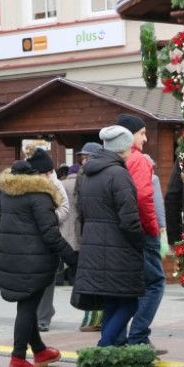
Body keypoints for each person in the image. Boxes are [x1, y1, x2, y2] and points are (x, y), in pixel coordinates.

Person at [0, 160, 77, 367]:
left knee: (27, 304)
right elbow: (51, 235)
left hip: (10, 258)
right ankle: (18, 358)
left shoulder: (5, 194)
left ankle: (40, 351)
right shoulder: (40, 196)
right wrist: (73, 259)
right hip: (34, 261)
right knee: (26, 308)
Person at [74, 125, 145, 347]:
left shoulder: (89, 173)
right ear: (124, 148)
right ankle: (102, 348)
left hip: (93, 248)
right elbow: (129, 219)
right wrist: (139, 243)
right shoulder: (119, 174)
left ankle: (107, 359)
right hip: (119, 249)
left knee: (111, 303)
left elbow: (81, 211)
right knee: (129, 304)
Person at [113, 114, 166, 354]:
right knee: (155, 283)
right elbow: (144, 198)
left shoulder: (109, 159)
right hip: (142, 233)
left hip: (117, 235)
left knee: (123, 288)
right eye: (142, 133)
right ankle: (139, 337)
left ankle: (118, 339)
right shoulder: (137, 159)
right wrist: (153, 229)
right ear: (129, 134)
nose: (145, 139)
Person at [26, 148, 69, 332]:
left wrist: (48, 217)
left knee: (48, 279)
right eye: (47, 172)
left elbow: (65, 209)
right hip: (30, 239)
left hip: (50, 236)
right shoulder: (25, 185)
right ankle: (37, 313)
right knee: (33, 279)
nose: (50, 175)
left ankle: (43, 318)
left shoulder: (56, 185)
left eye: (51, 171)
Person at [66, 142, 103, 332]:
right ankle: (92, 316)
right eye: (82, 157)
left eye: (87, 157)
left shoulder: (94, 172)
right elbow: (80, 204)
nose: (83, 160)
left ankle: (96, 316)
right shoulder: (83, 173)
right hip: (87, 230)